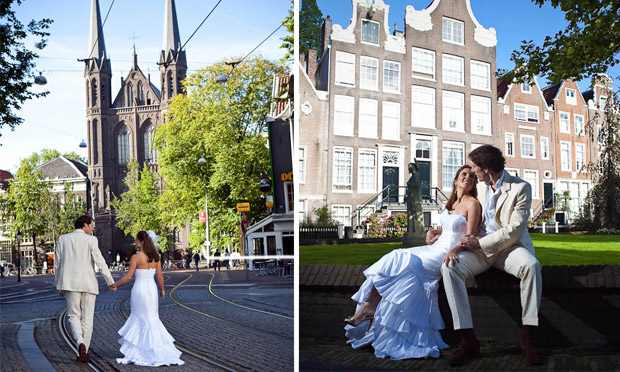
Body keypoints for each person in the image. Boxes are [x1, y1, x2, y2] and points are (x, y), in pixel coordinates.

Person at [344, 165, 481, 359]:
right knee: (395, 256)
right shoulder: (452, 203)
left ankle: (370, 307)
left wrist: (454, 249)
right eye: (463, 175)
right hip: (432, 248)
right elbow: (453, 228)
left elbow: (470, 235)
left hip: (441, 255)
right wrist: (434, 231)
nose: (468, 177)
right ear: (456, 180)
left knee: (399, 258)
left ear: (474, 183)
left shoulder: (472, 203)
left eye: (471, 176)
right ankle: (369, 306)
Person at [440, 145, 542, 365]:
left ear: (485, 168)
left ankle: (528, 337)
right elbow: (464, 215)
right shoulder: (481, 188)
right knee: (450, 268)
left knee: (531, 267)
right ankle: (468, 340)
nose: (473, 172)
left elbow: (514, 229)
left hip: (509, 248)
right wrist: (441, 233)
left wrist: (480, 242)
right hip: (480, 250)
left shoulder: (521, 187)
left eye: (475, 168)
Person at [111, 230, 184, 366]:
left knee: (139, 318)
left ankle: (140, 351)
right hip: (152, 290)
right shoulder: (156, 257)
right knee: (152, 318)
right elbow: (160, 276)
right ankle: (157, 349)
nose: (135, 242)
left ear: (142, 242)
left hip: (139, 291)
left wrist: (114, 285)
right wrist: (162, 289)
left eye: (136, 240)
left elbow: (128, 277)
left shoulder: (136, 257)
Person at [55, 215, 116, 363]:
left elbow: (57, 264)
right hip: (88, 284)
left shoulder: (63, 239)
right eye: (91, 225)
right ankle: (83, 352)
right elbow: (100, 262)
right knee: (88, 319)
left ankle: (79, 342)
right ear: (84, 225)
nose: (93, 228)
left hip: (69, 283)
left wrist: (58, 284)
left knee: (73, 315)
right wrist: (110, 281)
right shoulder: (91, 240)